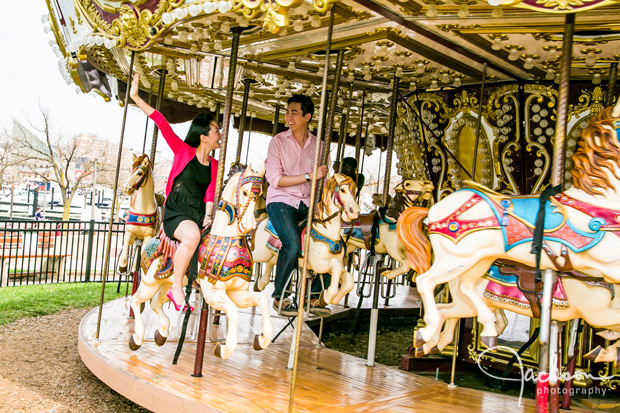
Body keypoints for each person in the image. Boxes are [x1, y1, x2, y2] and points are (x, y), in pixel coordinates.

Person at [129, 73, 220, 311]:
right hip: (177, 212)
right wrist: (136, 97)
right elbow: (161, 122)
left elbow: (210, 192)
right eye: (216, 131)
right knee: (191, 237)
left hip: (198, 213)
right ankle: (176, 288)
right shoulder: (183, 151)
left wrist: (209, 216)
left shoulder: (215, 165)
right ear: (204, 137)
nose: (220, 135)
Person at [264, 94, 331, 317]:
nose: (289, 116)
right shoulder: (278, 141)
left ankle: (312, 295)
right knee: (292, 244)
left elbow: (320, 180)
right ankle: (280, 297)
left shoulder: (319, 145)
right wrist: (308, 176)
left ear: (307, 117)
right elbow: (275, 179)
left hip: (307, 202)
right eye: (288, 112)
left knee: (330, 241)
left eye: (294, 112)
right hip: (281, 200)